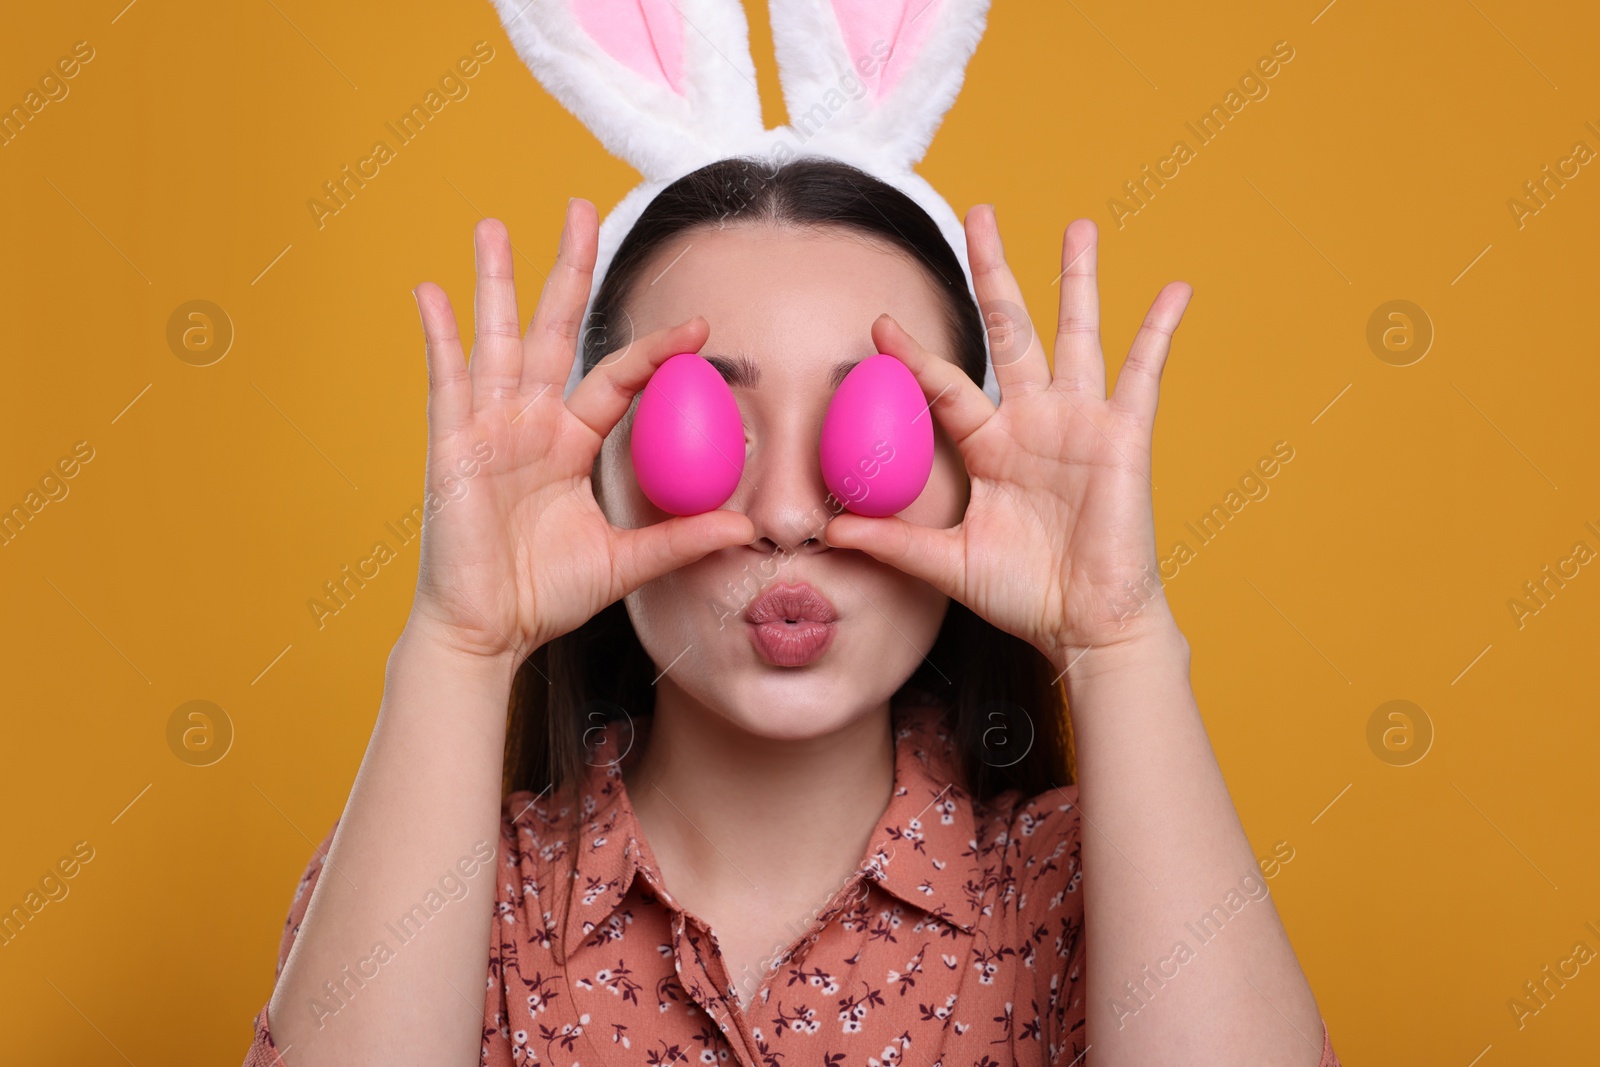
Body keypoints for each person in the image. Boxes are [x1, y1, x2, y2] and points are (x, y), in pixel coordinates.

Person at [241, 156, 1340, 1066]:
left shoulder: (1083, 888)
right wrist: (461, 642)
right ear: (595, 482)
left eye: (872, 422)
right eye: (709, 417)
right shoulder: (453, 892)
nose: (784, 515)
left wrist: (1118, 640)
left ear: (970, 472)